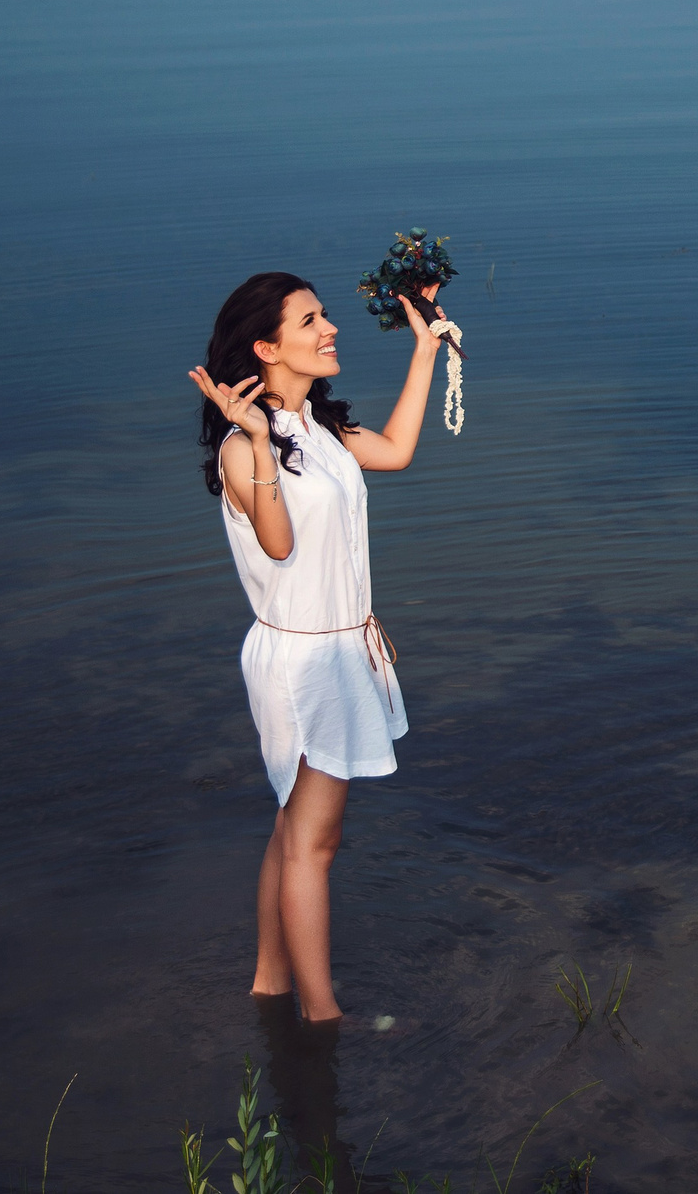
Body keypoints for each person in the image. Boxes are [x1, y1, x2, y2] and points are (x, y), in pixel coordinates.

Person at [189, 271, 446, 1026]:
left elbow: (396, 451)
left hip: (339, 652)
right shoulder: (247, 447)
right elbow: (277, 542)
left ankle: (272, 982)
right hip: (305, 663)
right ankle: (322, 1016)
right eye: (311, 319)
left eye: (325, 314)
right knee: (315, 842)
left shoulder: (325, 431)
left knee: (291, 825)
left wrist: (426, 348)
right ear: (267, 347)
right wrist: (264, 445)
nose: (330, 327)